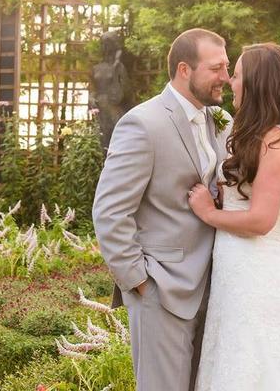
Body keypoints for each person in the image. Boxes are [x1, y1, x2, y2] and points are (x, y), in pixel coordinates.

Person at [188, 42, 280, 391]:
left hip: (257, 276)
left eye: (237, 76)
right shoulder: (268, 136)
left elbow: (260, 221)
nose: (230, 82)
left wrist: (209, 212)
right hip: (240, 273)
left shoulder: (277, 141)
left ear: (258, 84)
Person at [93, 28, 232, 391]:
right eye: (216, 69)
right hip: (162, 287)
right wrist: (139, 282)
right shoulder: (143, 123)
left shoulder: (220, 121)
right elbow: (109, 210)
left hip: (215, 287)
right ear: (184, 70)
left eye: (227, 68)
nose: (226, 78)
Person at [89, 31, 131, 150]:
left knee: (114, 142)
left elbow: (126, 91)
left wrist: (116, 69)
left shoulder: (119, 67)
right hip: (99, 109)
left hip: (113, 110)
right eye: (103, 44)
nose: (104, 47)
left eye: (107, 44)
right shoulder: (96, 68)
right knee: (99, 142)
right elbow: (92, 88)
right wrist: (91, 97)